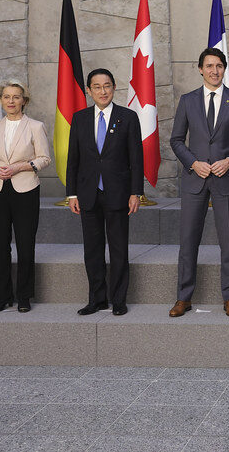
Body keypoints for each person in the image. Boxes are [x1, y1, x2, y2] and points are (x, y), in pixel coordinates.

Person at [169, 48, 229, 318]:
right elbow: (176, 140)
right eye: (209, 66)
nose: (214, 71)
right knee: (188, 242)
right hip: (195, 178)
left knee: (228, 242)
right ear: (200, 69)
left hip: (225, 179)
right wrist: (193, 163)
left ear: (225, 68)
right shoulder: (188, 100)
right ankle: (184, 298)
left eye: (219, 66)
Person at [66, 68, 144, 316]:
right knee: (93, 249)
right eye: (97, 87)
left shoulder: (128, 117)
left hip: (118, 193)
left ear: (114, 88)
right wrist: (72, 193)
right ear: (89, 90)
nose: (103, 91)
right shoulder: (79, 118)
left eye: (107, 85)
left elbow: (136, 158)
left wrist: (136, 192)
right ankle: (97, 299)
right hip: (88, 193)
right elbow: (73, 159)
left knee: (119, 248)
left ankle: (118, 299)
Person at [0, 81, 51, 312]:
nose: (11, 101)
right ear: (0, 100)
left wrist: (21, 166)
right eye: (6, 97)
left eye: (16, 97)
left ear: (24, 101)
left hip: (26, 190)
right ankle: (3, 296)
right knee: (1, 246)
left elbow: (44, 159)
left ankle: (25, 296)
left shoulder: (35, 126)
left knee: (25, 244)